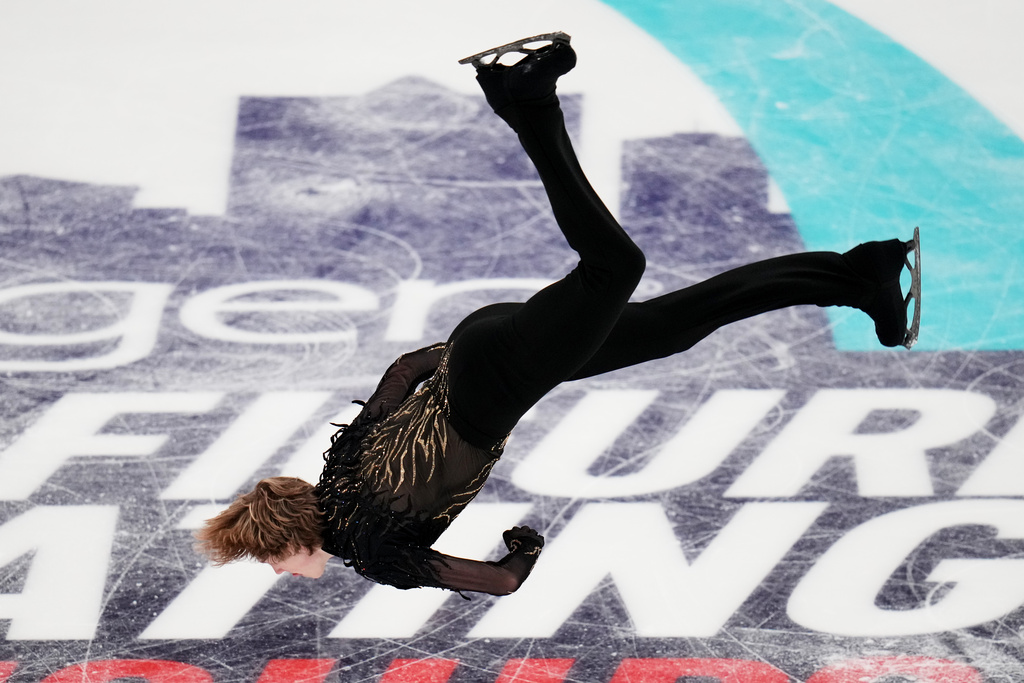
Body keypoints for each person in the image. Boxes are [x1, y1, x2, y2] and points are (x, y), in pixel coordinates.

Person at [195, 32, 921, 596]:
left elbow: (502, 581)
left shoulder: (373, 549)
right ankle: (859, 277)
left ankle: (526, 99)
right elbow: (406, 368)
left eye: (269, 562)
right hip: (482, 354)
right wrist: (477, 357)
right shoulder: (339, 470)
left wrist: (525, 546)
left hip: (504, 376)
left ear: (291, 543)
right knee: (673, 326)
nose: (278, 572)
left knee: (617, 268)